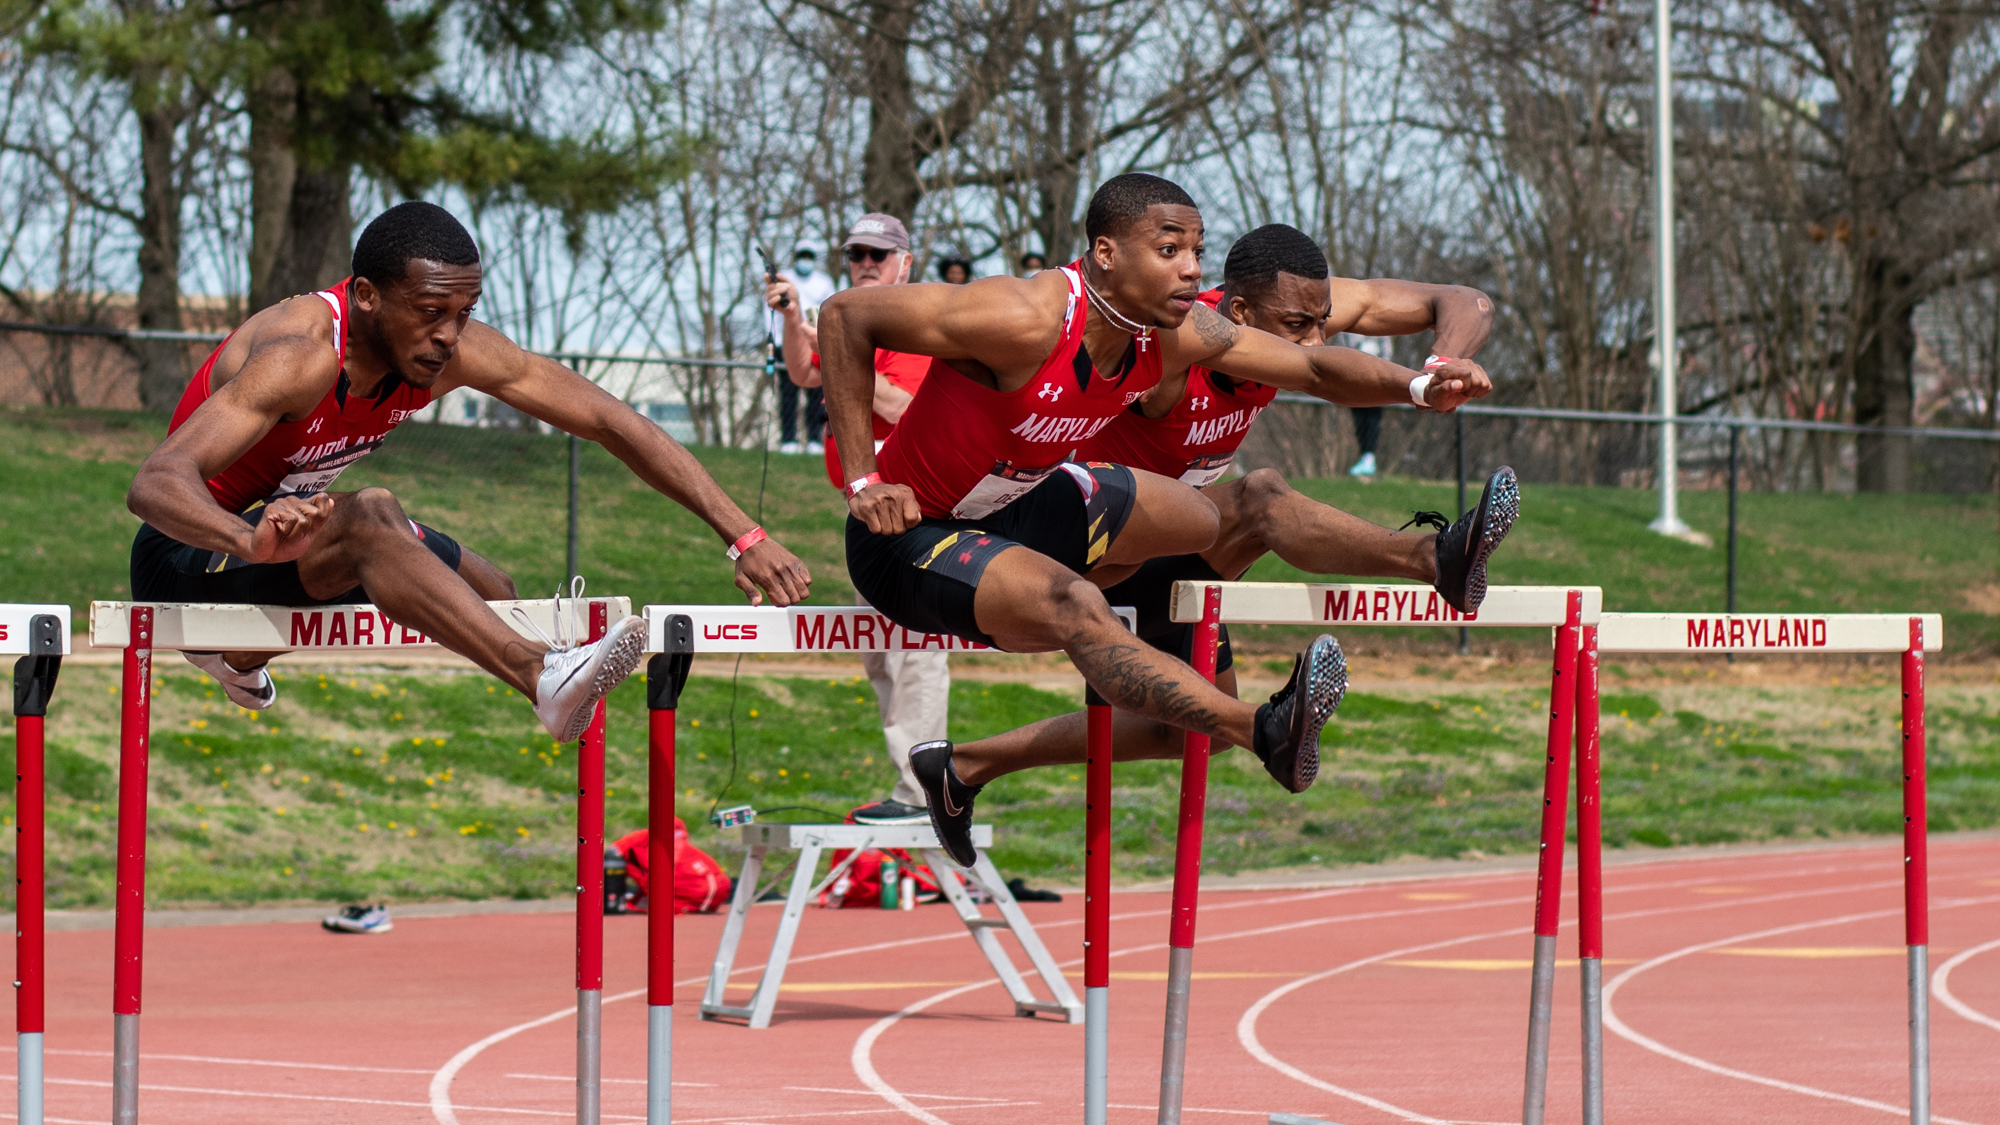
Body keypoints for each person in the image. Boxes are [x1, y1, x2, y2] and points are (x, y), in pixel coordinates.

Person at [817, 173, 1492, 865]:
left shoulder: (1179, 330)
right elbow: (844, 316)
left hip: (1020, 505)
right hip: (909, 536)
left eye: (1196, 250)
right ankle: (1264, 729)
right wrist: (865, 479)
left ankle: (1096, 602)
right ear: (1107, 254)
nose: (1192, 269)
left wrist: (1421, 384)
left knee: (1196, 516)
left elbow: (1313, 369)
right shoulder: (1023, 315)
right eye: (1170, 250)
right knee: (1080, 600)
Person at [127, 201, 811, 742]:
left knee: (495, 593)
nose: (449, 337)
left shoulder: (446, 352)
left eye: (464, 313)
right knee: (372, 513)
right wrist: (245, 539)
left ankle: (240, 658)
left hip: (300, 537)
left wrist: (744, 535)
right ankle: (539, 678)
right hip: (189, 556)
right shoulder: (300, 355)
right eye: (430, 313)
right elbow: (155, 481)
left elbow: (611, 420)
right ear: (366, 296)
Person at [949, 222, 1516, 779]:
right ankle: (1434, 558)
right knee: (1260, 497)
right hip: (1099, 560)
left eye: (1322, 322)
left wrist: (1442, 366)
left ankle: (963, 766)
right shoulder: (1178, 342)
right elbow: (1316, 369)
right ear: (1240, 313)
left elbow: (1467, 301)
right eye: (1298, 327)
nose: (1314, 339)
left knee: (1199, 734)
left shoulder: (1293, 309)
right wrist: (1416, 389)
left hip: (1177, 546)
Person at [766, 213, 943, 825]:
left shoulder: (914, 324)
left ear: (905, 264)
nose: (865, 264)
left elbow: (901, 403)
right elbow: (802, 373)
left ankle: (923, 792)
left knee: (914, 649)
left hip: (915, 508)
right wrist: (796, 321)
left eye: (878, 254)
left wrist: (836, 344)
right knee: (881, 650)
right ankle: (913, 784)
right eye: (856, 255)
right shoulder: (853, 328)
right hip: (871, 511)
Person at [769, 242, 837, 455]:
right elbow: (772, 309)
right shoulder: (785, 279)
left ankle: (814, 439)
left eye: (809, 256)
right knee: (788, 394)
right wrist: (773, 340)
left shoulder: (823, 282)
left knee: (816, 395)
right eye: (802, 255)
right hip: (786, 342)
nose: (805, 260)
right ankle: (788, 439)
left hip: (814, 341)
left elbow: (829, 310)